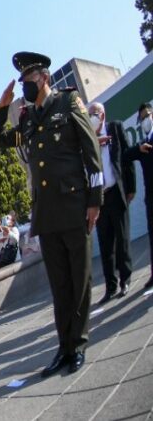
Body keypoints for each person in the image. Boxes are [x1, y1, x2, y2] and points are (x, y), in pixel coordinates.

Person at [0, 51, 102, 376]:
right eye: (22, 81)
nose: (25, 84)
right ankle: (63, 348)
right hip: (46, 211)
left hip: (74, 204)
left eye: (29, 79)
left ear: (45, 78)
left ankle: (77, 345)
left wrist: (94, 199)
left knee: (79, 280)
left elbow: (90, 150)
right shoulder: (27, 119)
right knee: (59, 285)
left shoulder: (69, 104)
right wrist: (2, 107)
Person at [87, 102, 136, 302]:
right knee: (105, 244)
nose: (92, 117)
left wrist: (130, 189)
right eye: (89, 114)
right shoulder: (88, 140)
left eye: (95, 114)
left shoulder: (115, 127)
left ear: (103, 115)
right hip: (100, 198)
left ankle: (125, 279)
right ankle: (110, 286)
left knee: (122, 238)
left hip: (117, 192)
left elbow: (126, 158)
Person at [123, 102, 153, 290]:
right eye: (142, 117)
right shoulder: (143, 145)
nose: (146, 119)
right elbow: (125, 156)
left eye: (148, 115)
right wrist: (138, 149)